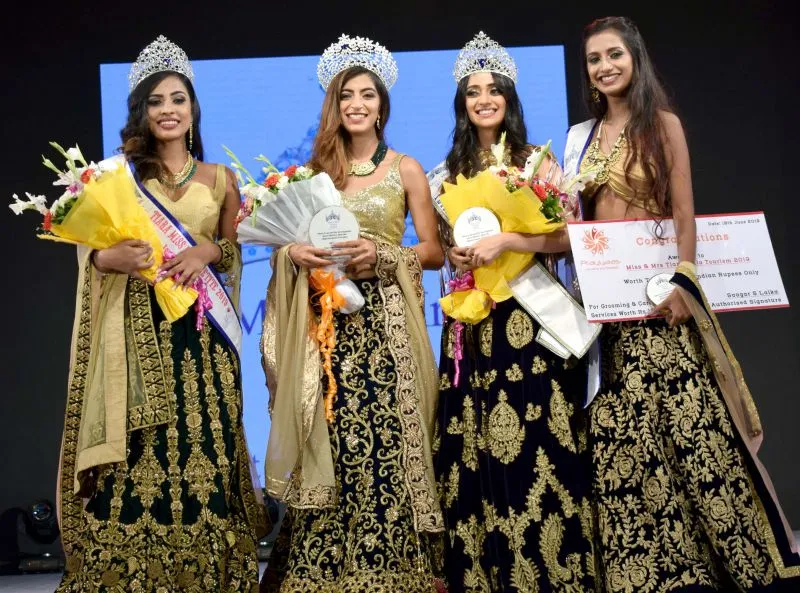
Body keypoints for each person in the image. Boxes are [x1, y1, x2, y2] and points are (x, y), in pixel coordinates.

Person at [564, 16, 800, 592]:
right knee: (626, 438)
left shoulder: (661, 125)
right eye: (594, 59)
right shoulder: (580, 136)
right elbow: (577, 224)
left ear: (635, 58)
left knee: (691, 430)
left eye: (614, 54)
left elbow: (684, 214)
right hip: (609, 318)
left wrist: (682, 285)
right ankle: (655, 571)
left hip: (661, 306)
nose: (605, 67)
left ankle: (730, 562)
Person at [56, 35, 267, 592]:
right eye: (155, 102)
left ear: (193, 109)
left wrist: (206, 251)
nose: (168, 110)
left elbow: (235, 249)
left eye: (177, 99)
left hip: (201, 335)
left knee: (207, 441)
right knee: (138, 448)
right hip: (135, 332)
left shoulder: (221, 178)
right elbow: (91, 251)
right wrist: (106, 257)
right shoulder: (115, 177)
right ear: (142, 114)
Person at [260, 34, 445, 592]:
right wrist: (293, 252)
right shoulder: (315, 170)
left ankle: (399, 566)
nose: (357, 104)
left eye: (368, 94)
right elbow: (282, 238)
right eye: (347, 96)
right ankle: (328, 566)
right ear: (334, 106)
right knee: (331, 435)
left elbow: (433, 252)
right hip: (327, 323)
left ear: (382, 105)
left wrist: (383, 254)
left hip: (386, 321)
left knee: (389, 433)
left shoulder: (405, 168)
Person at [429, 32, 597, 592]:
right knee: (474, 445)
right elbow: (445, 253)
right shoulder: (443, 174)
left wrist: (509, 241)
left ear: (508, 99)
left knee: (539, 443)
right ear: (462, 103)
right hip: (473, 322)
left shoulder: (539, 165)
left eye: (493, 89)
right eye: (473, 91)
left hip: (527, 321)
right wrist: (458, 254)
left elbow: (568, 241)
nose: (484, 99)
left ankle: (551, 571)